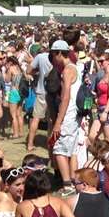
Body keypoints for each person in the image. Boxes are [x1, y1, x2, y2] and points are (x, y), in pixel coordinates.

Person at [46, 40, 83, 188]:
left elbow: (65, 97)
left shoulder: (68, 70)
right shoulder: (75, 67)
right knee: (72, 150)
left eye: (54, 54)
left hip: (67, 114)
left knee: (59, 149)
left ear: (60, 53)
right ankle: (74, 180)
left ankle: (67, 183)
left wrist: (58, 122)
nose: (53, 57)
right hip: (74, 115)